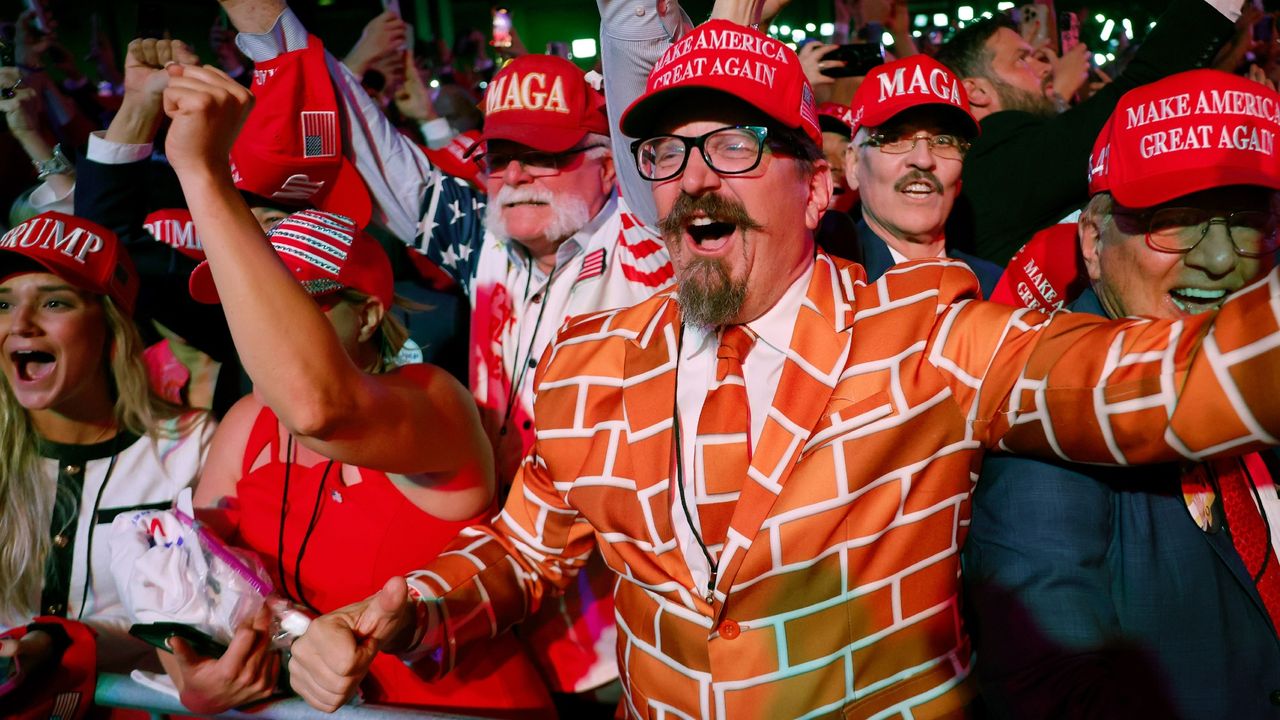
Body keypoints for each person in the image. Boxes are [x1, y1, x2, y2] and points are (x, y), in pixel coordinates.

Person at [279, 13, 1280, 719]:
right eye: (666, 153)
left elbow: (1178, 390)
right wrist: (408, 607)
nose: (694, 177)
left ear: (815, 190)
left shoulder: (925, 338)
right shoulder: (584, 369)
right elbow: (526, 554)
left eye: (736, 145)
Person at [218, 0, 673, 704]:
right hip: (500, 599)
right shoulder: (488, 243)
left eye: (548, 156)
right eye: (502, 155)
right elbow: (371, 146)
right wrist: (268, 27)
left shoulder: (649, 246)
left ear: (612, 166)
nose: (518, 174)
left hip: (620, 634)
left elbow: (643, 68)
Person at [152, 60, 558, 715]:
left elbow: (321, 409)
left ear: (368, 312)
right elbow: (189, 576)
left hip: (458, 712)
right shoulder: (248, 422)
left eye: (294, 301)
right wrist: (190, 672)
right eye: (245, 297)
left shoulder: (435, 400)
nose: (258, 320)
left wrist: (201, 173)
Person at [962, 69, 1280, 719]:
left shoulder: (1252, 378)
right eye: (1175, 221)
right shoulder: (1049, 432)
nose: (1221, 259)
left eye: (1244, 223)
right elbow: (1048, 690)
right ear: (1093, 241)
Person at [0, 211, 213, 718]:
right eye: (3, 304)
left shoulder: (192, 447)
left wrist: (60, 644)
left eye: (54, 302)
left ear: (112, 329)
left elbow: (208, 619)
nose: (20, 323)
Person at [935, 0, 1240, 265]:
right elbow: (1139, 90)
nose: (1044, 67)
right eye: (1022, 59)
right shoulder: (991, 153)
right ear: (974, 91)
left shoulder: (1013, 153)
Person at [843, 54, 1002, 296]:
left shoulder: (998, 290)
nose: (923, 159)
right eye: (895, 138)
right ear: (853, 163)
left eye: (943, 141)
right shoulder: (821, 286)